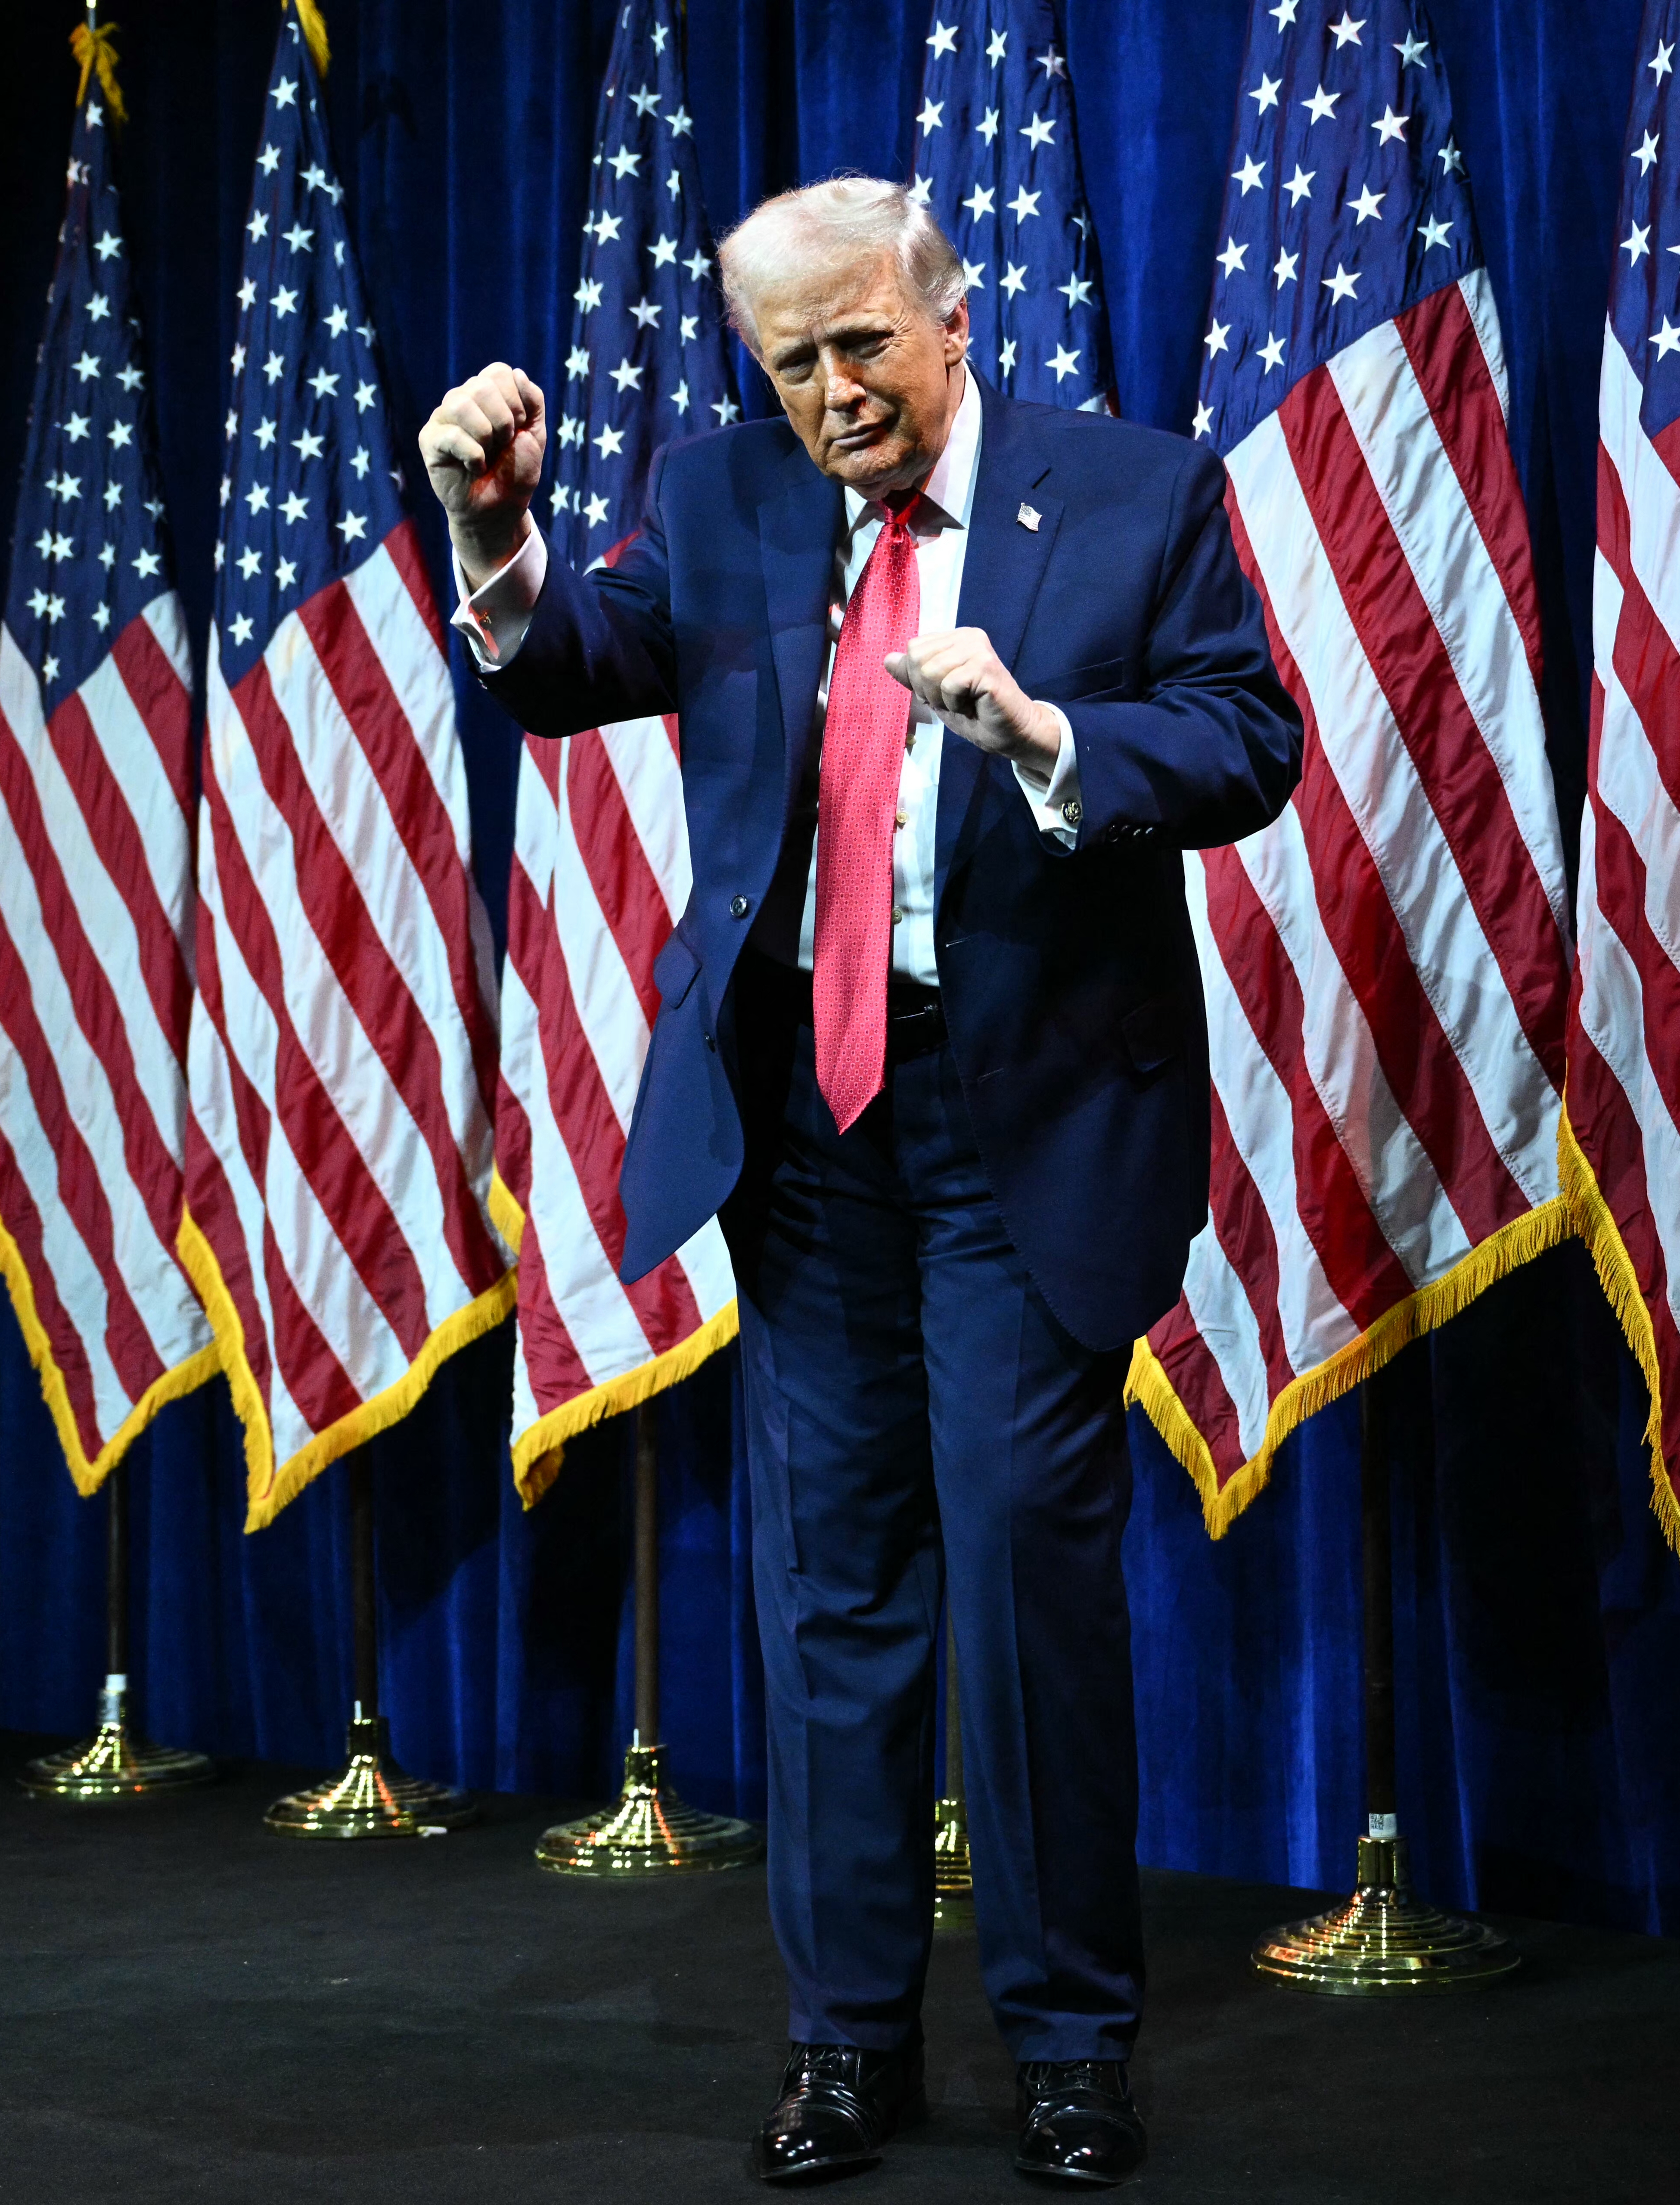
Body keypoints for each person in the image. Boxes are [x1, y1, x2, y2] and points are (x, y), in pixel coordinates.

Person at [421, 176, 1299, 2189]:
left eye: (861, 347)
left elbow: (1251, 739)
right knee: (831, 1603)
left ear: (951, 313)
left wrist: (1051, 733)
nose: (831, 392)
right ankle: (845, 2042)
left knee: (1016, 1585)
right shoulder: (718, 488)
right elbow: (580, 661)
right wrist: (496, 536)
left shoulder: (1135, 488)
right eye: (791, 359)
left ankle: (1074, 2044)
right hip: (804, 1136)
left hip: (1027, 1127)